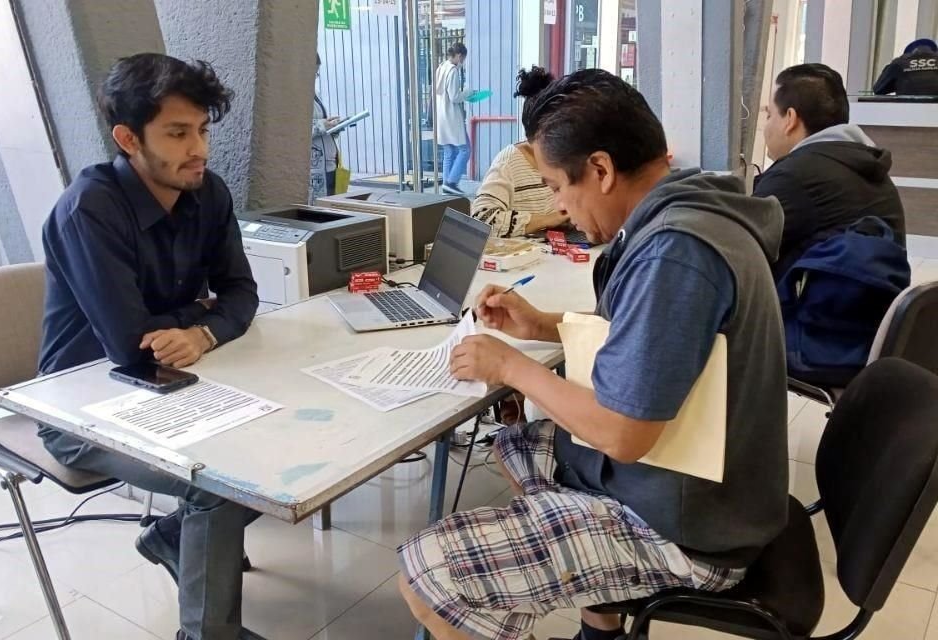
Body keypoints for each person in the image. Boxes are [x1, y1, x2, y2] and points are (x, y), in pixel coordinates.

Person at [398, 69, 789, 640]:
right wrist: (544, 325)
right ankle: (598, 626)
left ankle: (587, 587)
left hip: (694, 530)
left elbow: (623, 434)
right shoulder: (685, 212)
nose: (560, 207)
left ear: (602, 170)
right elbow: (647, 338)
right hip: (707, 488)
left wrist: (511, 365)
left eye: (558, 187)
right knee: (521, 446)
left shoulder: (676, 253)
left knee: (426, 575)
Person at [37, 53, 260, 640]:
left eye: (203, 130)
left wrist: (201, 329)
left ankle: (171, 536)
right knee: (219, 483)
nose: (201, 150)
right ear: (127, 138)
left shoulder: (207, 193)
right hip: (79, 410)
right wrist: (201, 311)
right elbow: (129, 344)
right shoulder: (90, 208)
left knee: (274, 450)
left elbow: (242, 292)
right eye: (179, 133)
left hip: (177, 384)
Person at [756, 63, 905, 279]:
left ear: (790, 119)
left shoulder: (794, 177)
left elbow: (734, 248)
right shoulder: (866, 163)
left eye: (769, 116)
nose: (766, 126)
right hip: (863, 311)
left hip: (804, 311)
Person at [472, 66, 569, 237]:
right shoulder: (508, 162)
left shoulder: (567, 158)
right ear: (534, 131)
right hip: (525, 259)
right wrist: (549, 219)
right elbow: (481, 220)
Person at [435, 42, 472, 195]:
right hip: (451, 116)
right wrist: (468, 92)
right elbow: (455, 97)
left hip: (441, 116)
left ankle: (446, 186)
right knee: (465, 150)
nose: (462, 62)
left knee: (448, 151)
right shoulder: (453, 71)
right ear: (459, 55)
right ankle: (451, 182)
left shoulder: (441, 67)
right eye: (462, 59)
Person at [310, 53, 342, 202]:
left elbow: (321, 123)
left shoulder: (315, 94)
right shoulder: (295, 96)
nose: (315, 77)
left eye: (317, 73)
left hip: (330, 164)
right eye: (313, 73)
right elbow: (293, 130)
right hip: (314, 168)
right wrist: (322, 125)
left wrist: (333, 126)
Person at [873, 38, 938, 96]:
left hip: (906, 107)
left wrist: (897, 84)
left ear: (908, 53)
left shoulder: (898, 63)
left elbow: (878, 90)